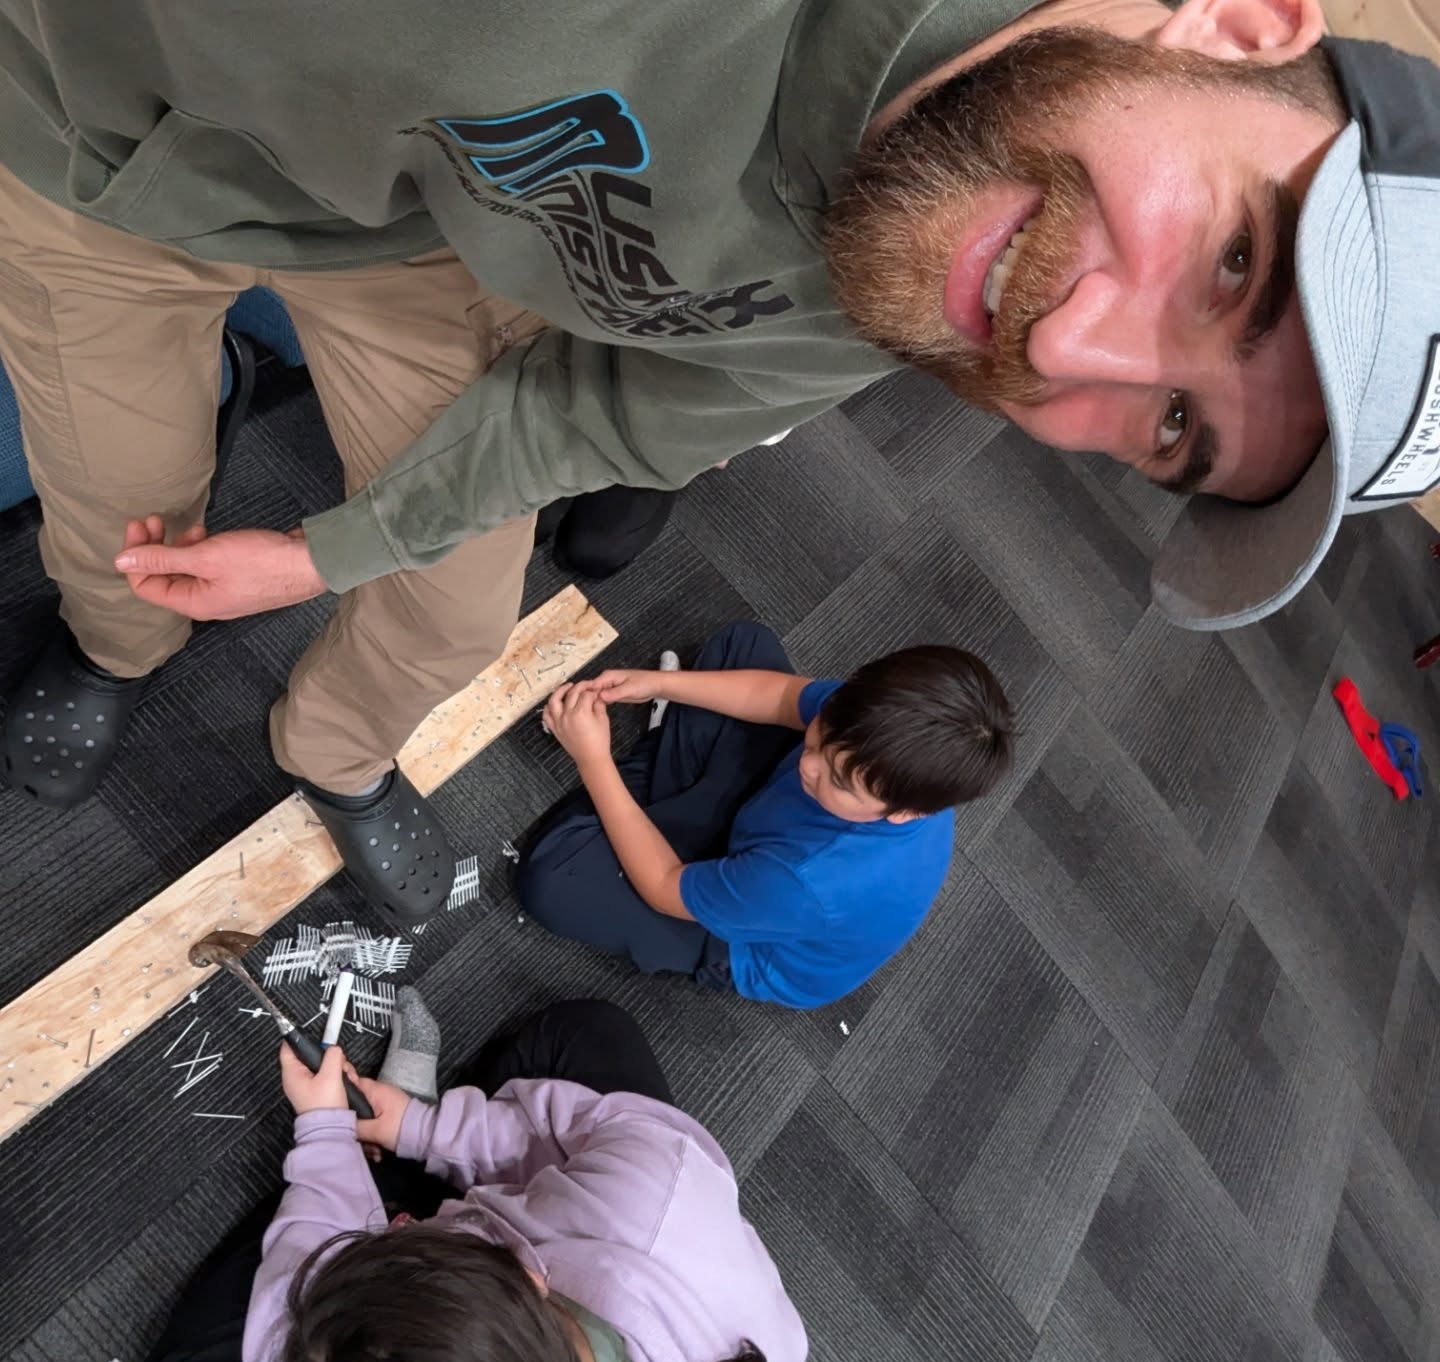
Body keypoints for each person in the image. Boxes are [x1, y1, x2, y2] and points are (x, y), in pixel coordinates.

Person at [1, 0, 1420, 915]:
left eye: (1173, 428)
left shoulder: (930, 254)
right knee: (113, 512)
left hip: (396, 237)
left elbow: (600, 416)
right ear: (1238, 23)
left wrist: (323, 553)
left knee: (450, 612)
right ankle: (114, 650)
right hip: (86, 151)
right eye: (1237, 261)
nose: (1066, 347)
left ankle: (338, 754)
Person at [128, 995, 808, 1362]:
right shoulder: (656, 1192)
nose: (398, 1228)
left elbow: (316, 1361)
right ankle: (400, 1157)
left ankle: (389, 1172)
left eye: (399, 1231)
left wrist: (325, 1136)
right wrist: (421, 1128)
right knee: (588, 1034)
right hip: (621, 1219)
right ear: (528, 1272)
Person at [517, 622, 1014, 1009]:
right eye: (821, 734)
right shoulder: (871, 729)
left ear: (904, 813)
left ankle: (646, 801)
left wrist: (593, 761)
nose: (809, 765)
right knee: (743, 644)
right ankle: (652, 808)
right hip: (765, 840)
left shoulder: (811, 881)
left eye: (840, 781)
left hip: (742, 936)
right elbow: (779, 698)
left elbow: (665, 889)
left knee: (552, 880)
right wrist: (656, 683)